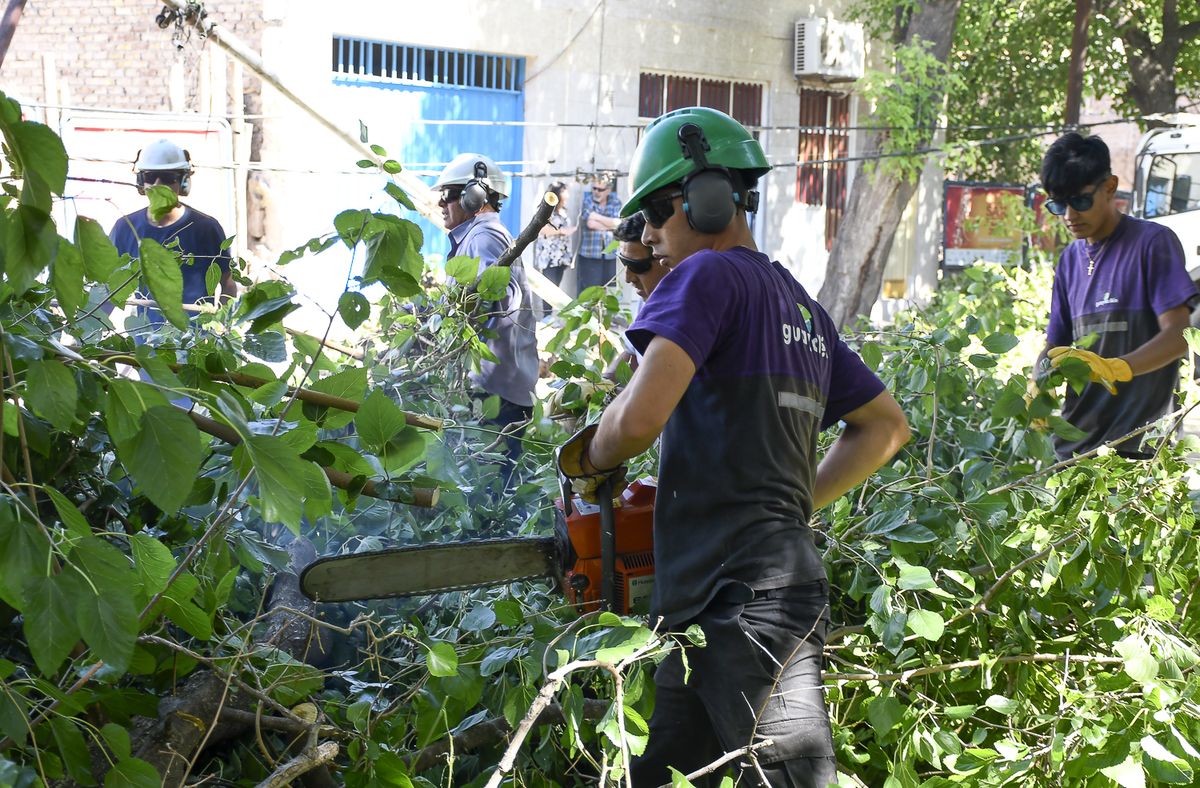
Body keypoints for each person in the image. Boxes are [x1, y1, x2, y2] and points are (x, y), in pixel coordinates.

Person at [557, 107, 910, 787]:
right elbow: (887, 427)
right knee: (662, 771)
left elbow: (636, 421)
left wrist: (589, 459)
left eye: (659, 214)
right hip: (704, 608)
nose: (655, 237)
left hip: (743, 606)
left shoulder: (707, 278)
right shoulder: (799, 304)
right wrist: (789, 506)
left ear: (706, 197)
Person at [1036, 132, 1198, 458]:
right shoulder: (1069, 261)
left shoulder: (1152, 244)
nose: (1069, 215)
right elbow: (1056, 346)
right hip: (1073, 449)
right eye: (1058, 204)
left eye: (1080, 200)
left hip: (1137, 450)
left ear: (1110, 186)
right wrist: (1037, 383)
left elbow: (1181, 335)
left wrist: (1118, 368)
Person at [433, 153, 538, 469]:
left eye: (448, 194)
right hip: (495, 385)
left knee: (492, 488)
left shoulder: (484, 237)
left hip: (497, 390)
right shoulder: (476, 237)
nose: (441, 203)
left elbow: (498, 304)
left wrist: (448, 319)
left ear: (473, 195)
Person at [109, 138, 238, 325]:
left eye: (168, 177)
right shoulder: (125, 228)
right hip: (144, 345)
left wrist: (221, 326)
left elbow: (227, 282)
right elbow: (107, 288)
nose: (158, 184)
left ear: (184, 181)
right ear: (141, 181)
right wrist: (84, 330)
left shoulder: (206, 228)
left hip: (194, 343)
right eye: (150, 177)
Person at [533, 181, 577, 318]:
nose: (567, 195)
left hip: (561, 257)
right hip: (549, 258)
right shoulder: (546, 210)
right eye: (565, 192)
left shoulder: (563, 211)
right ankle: (546, 318)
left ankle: (550, 317)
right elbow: (542, 229)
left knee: (556, 288)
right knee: (548, 288)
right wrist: (562, 231)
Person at [576, 174, 623, 294]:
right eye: (594, 188)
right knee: (589, 292)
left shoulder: (616, 202)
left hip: (609, 255)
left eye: (600, 189)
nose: (596, 192)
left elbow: (618, 223)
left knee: (608, 290)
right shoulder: (587, 201)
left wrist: (597, 217)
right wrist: (610, 224)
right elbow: (590, 224)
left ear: (608, 190)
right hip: (590, 254)